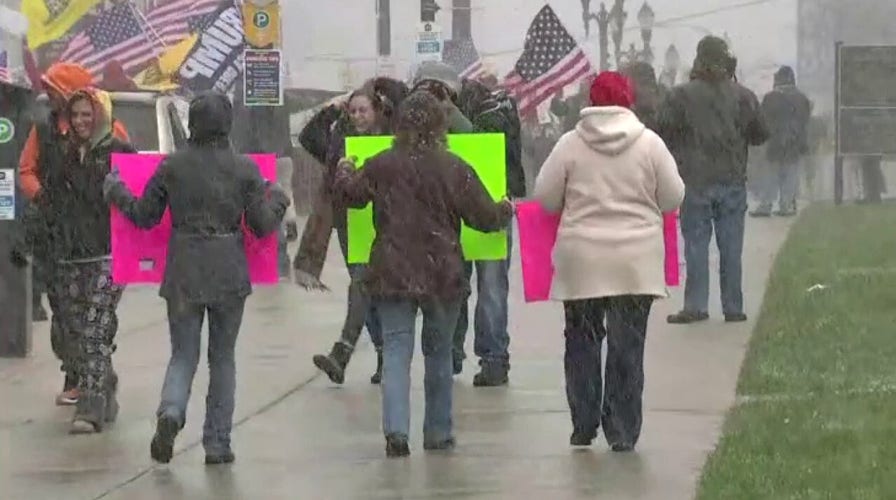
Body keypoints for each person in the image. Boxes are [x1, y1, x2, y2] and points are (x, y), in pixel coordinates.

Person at [104, 91, 290, 465]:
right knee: (222, 359)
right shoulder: (244, 170)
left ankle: (171, 412)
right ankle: (217, 443)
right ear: (227, 124)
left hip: (184, 269)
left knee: (183, 354)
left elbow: (144, 216)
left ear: (193, 124)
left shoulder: (172, 167)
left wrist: (117, 191)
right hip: (228, 270)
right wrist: (280, 200)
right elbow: (261, 224)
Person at [332, 91, 513, 457]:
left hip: (391, 271)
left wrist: (345, 169)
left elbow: (350, 196)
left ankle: (396, 432)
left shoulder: (382, 164)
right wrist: (505, 208)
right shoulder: (454, 166)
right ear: (439, 124)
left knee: (397, 350)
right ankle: (438, 432)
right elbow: (484, 218)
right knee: (439, 354)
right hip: (442, 274)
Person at [533, 71, 683, 451]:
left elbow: (545, 198)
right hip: (635, 263)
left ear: (591, 101)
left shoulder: (570, 144)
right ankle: (622, 429)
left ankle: (583, 422)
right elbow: (672, 197)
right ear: (628, 100)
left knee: (582, 342)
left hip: (582, 261)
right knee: (627, 348)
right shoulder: (649, 144)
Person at [18, 62, 130, 406]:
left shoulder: (112, 134)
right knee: (66, 314)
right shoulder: (44, 129)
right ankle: (76, 372)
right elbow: (26, 170)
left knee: (97, 319)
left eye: (55, 90)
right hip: (59, 238)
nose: (48, 96)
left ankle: (95, 387)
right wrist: (44, 198)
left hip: (102, 243)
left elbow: (130, 178)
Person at [40, 88, 137, 433]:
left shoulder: (119, 152)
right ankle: (104, 383)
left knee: (96, 328)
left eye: (87, 114)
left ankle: (90, 406)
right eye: (76, 115)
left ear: (100, 115)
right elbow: (50, 201)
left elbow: (138, 201)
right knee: (78, 333)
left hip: (109, 254)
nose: (81, 121)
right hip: (69, 256)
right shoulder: (63, 154)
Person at [299, 80, 408, 385]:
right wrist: (331, 110)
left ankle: (343, 352)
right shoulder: (339, 143)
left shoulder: (392, 139)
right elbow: (309, 138)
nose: (358, 116)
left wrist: (381, 85)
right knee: (364, 291)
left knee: (362, 285)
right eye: (353, 111)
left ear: (377, 111)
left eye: (364, 110)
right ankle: (382, 355)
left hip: (384, 226)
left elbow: (401, 99)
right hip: (350, 224)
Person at [657, 36, 768, 325]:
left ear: (698, 59)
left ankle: (695, 305)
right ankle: (733, 307)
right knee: (731, 248)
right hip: (732, 178)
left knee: (696, 246)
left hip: (695, 179)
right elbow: (760, 134)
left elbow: (663, 132)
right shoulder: (743, 96)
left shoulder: (680, 96)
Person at [452, 78, 524, 385]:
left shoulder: (494, 115)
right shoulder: (498, 113)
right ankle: (468, 353)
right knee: (466, 287)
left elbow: (481, 143)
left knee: (486, 287)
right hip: (479, 207)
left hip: (488, 207)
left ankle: (489, 357)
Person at [751, 65, 811, 217]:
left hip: (775, 141)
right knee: (791, 175)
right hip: (794, 142)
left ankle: (766, 205)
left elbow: (762, 118)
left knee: (771, 175)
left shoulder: (771, 97)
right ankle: (786, 205)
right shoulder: (802, 98)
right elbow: (805, 120)